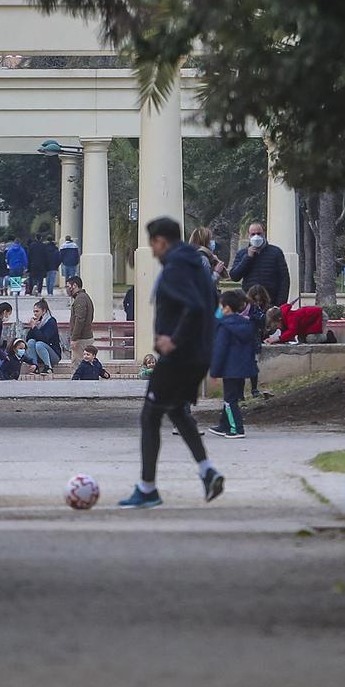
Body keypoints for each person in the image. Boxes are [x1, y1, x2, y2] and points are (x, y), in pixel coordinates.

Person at [121, 217, 225, 509]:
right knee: (178, 410)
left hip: (180, 356)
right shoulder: (197, 265)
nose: (152, 251)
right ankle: (207, 471)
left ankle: (147, 488)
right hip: (200, 354)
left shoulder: (177, 266)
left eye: (152, 244)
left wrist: (173, 340)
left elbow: (193, 307)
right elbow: (210, 303)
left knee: (150, 416)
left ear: (161, 241)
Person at [209, 289, 259, 439]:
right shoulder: (246, 324)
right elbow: (254, 346)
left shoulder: (224, 326)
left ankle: (236, 428)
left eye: (220, 306)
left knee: (230, 400)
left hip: (230, 369)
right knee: (232, 397)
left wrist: (214, 371)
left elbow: (220, 350)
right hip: (243, 368)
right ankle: (224, 424)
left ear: (227, 308)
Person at [227, 221, 292, 306]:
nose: (256, 237)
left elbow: (284, 279)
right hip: (250, 302)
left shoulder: (276, 252)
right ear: (248, 236)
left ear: (264, 234)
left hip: (271, 302)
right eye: (253, 234)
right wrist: (248, 257)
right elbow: (234, 276)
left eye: (259, 233)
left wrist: (280, 304)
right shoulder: (242, 253)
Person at [243, 285, 274, 398]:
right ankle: (248, 391)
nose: (258, 302)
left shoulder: (259, 308)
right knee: (246, 365)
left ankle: (254, 389)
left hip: (254, 338)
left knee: (253, 365)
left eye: (260, 300)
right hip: (248, 338)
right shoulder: (250, 307)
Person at [23, 298, 62, 374]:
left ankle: (48, 367)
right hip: (39, 355)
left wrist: (34, 328)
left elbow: (44, 339)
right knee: (31, 342)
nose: (35, 314)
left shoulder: (51, 321)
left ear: (44, 311)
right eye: (34, 311)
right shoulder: (37, 322)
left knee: (39, 344)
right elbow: (28, 339)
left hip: (53, 355)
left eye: (37, 311)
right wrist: (32, 328)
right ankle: (35, 366)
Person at [65, 274, 95, 355]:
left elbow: (80, 319)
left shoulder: (80, 299)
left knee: (77, 365)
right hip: (84, 337)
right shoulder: (83, 297)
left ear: (74, 285)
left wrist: (74, 338)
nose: (66, 289)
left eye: (68, 286)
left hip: (81, 339)